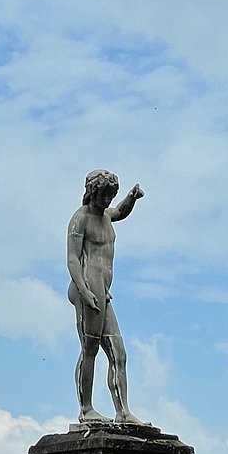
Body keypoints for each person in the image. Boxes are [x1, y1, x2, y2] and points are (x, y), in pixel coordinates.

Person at [67, 169, 145, 424]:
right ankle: (86, 409)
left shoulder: (106, 216)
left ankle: (123, 412)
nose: (107, 201)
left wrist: (131, 198)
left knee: (118, 353)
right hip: (88, 287)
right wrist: (84, 290)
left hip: (103, 291)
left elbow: (119, 212)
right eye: (103, 196)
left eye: (111, 196)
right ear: (92, 193)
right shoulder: (81, 219)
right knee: (90, 349)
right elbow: (72, 259)